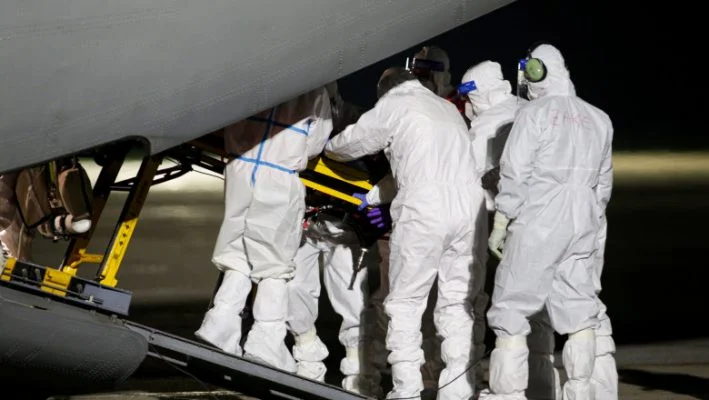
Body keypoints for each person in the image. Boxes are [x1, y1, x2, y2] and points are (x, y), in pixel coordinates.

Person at [325, 67, 486, 400]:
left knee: (405, 303)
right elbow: (418, 168)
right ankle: (457, 389)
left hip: (424, 210)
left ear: (385, 90)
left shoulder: (395, 103)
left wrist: (328, 147)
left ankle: (407, 389)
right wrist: (372, 197)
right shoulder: (446, 109)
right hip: (469, 210)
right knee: (456, 301)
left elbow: (353, 143)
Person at [479, 43, 615, 400]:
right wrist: (589, 220)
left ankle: (508, 394)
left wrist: (502, 221)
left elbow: (514, 172)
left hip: (539, 221)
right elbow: (603, 187)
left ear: (537, 71)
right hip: (583, 223)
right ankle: (581, 392)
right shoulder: (599, 119)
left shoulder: (533, 114)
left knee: (510, 309)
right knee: (579, 312)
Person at [195, 86, 333, 372]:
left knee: (238, 251)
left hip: (240, 167)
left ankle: (220, 323)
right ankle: (267, 340)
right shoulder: (314, 88)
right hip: (278, 176)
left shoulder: (256, 77)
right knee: (274, 262)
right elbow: (316, 142)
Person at [460, 60, 562, 399]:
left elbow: (473, 187)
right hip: (553, 223)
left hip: (516, 228)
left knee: (509, 312)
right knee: (540, 310)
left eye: (469, 97)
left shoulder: (484, 128)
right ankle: (542, 386)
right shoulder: (529, 110)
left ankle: (508, 392)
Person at [285, 83, 380, 396]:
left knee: (352, 299)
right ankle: (307, 358)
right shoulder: (296, 118)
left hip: (345, 225)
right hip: (305, 219)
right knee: (293, 288)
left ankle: (359, 373)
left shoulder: (357, 120)